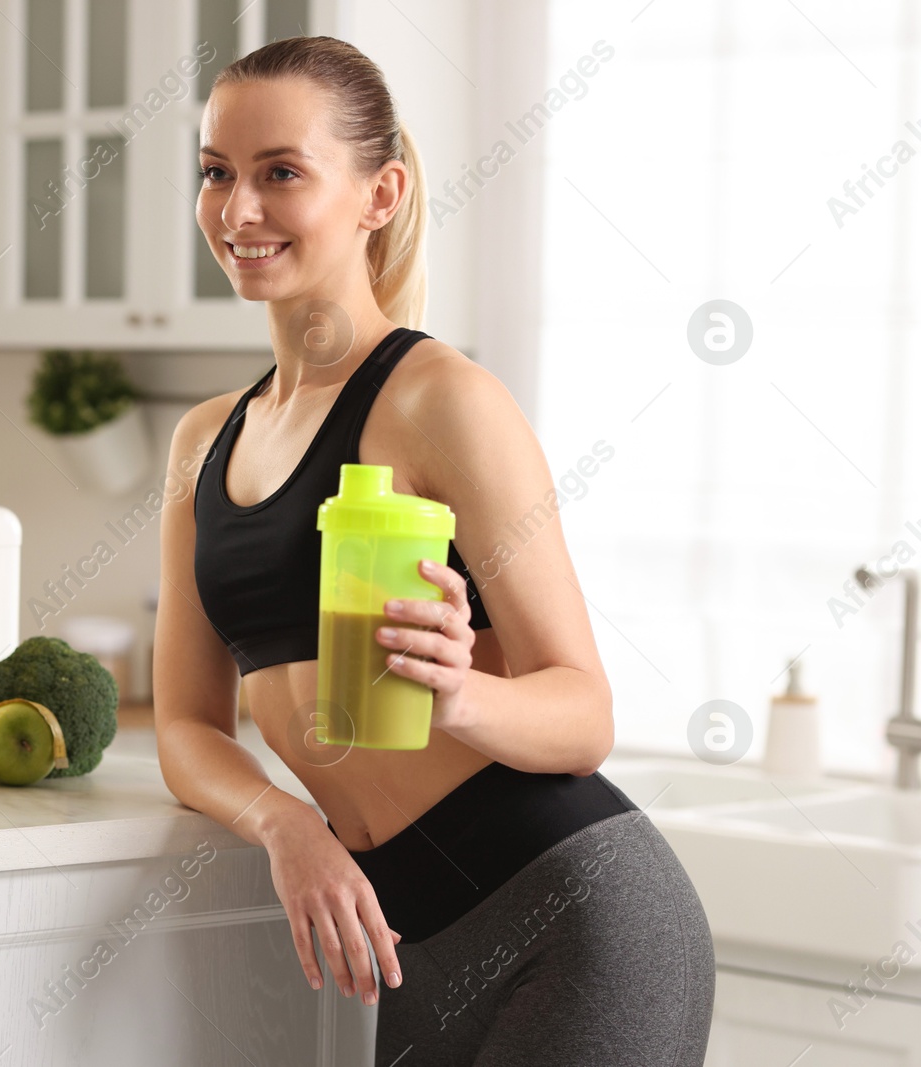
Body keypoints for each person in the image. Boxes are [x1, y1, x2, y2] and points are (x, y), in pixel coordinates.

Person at [153, 35, 715, 1065]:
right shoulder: (203, 442)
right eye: (216, 173)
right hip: (409, 941)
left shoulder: (440, 400)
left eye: (280, 173)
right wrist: (284, 823)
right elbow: (187, 726)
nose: (238, 212)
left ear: (379, 193)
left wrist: (458, 695)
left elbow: (582, 711)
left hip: (577, 915)